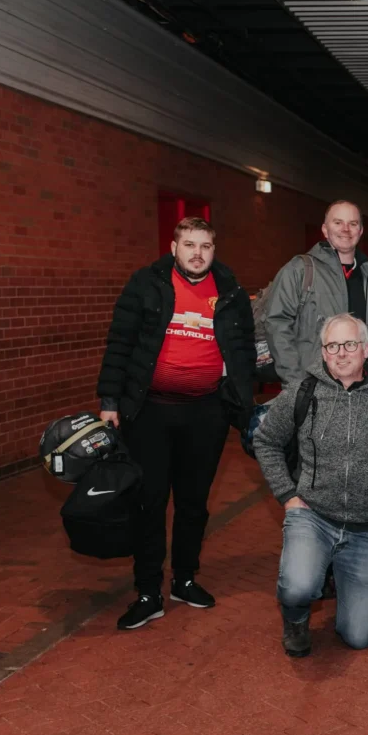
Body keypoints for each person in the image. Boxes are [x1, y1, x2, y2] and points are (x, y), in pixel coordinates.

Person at [97, 216, 255, 630]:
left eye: (205, 246)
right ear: (174, 247)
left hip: (207, 413)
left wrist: (242, 399)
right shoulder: (146, 284)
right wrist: (110, 400)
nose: (197, 253)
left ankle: (184, 579)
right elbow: (120, 342)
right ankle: (148, 591)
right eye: (189, 245)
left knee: (193, 503)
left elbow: (242, 347)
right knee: (149, 502)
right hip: (149, 412)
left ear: (213, 250)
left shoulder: (230, 290)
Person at [253, 314, 368, 656]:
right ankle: (296, 616)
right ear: (323, 353)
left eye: (349, 344)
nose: (341, 353)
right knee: (297, 587)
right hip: (313, 516)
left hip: (366, 529)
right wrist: (287, 495)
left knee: (357, 636)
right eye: (332, 346)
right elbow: (265, 441)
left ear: (365, 349)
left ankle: (340, 579)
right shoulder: (301, 394)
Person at [266, 200, 368, 387]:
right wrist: (297, 384)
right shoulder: (299, 270)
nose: (346, 229)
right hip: (311, 389)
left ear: (360, 231)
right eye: (338, 223)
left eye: (353, 224)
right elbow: (277, 326)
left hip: (360, 390)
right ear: (324, 229)